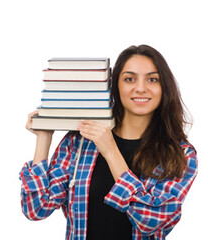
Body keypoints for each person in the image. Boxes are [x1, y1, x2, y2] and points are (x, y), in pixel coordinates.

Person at [20, 45, 198, 240]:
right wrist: (44, 136)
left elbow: (150, 222)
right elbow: (36, 209)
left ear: (164, 87)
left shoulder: (181, 154)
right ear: (115, 86)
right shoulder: (79, 142)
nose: (140, 88)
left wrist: (111, 151)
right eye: (129, 79)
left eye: (152, 79)